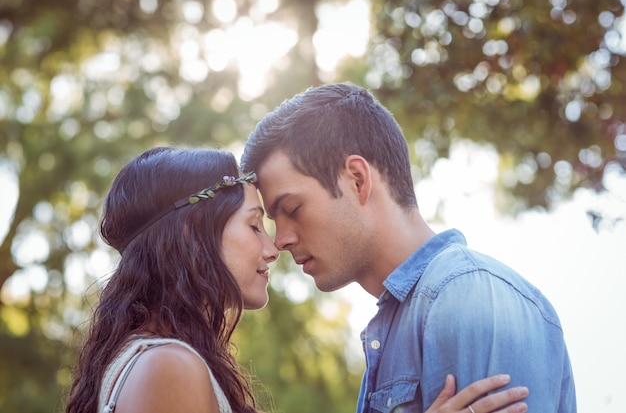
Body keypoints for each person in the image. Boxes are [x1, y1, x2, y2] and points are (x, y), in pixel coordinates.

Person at [66, 146, 527, 413]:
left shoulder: (166, 361)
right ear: (191, 233)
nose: (273, 248)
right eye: (254, 225)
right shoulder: (169, 366)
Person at [241, 83, 576, 413]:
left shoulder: (462, 295)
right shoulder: (393, 332)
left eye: (293, 210)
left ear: (357, 179)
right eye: (272, 220)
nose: (279, 240)